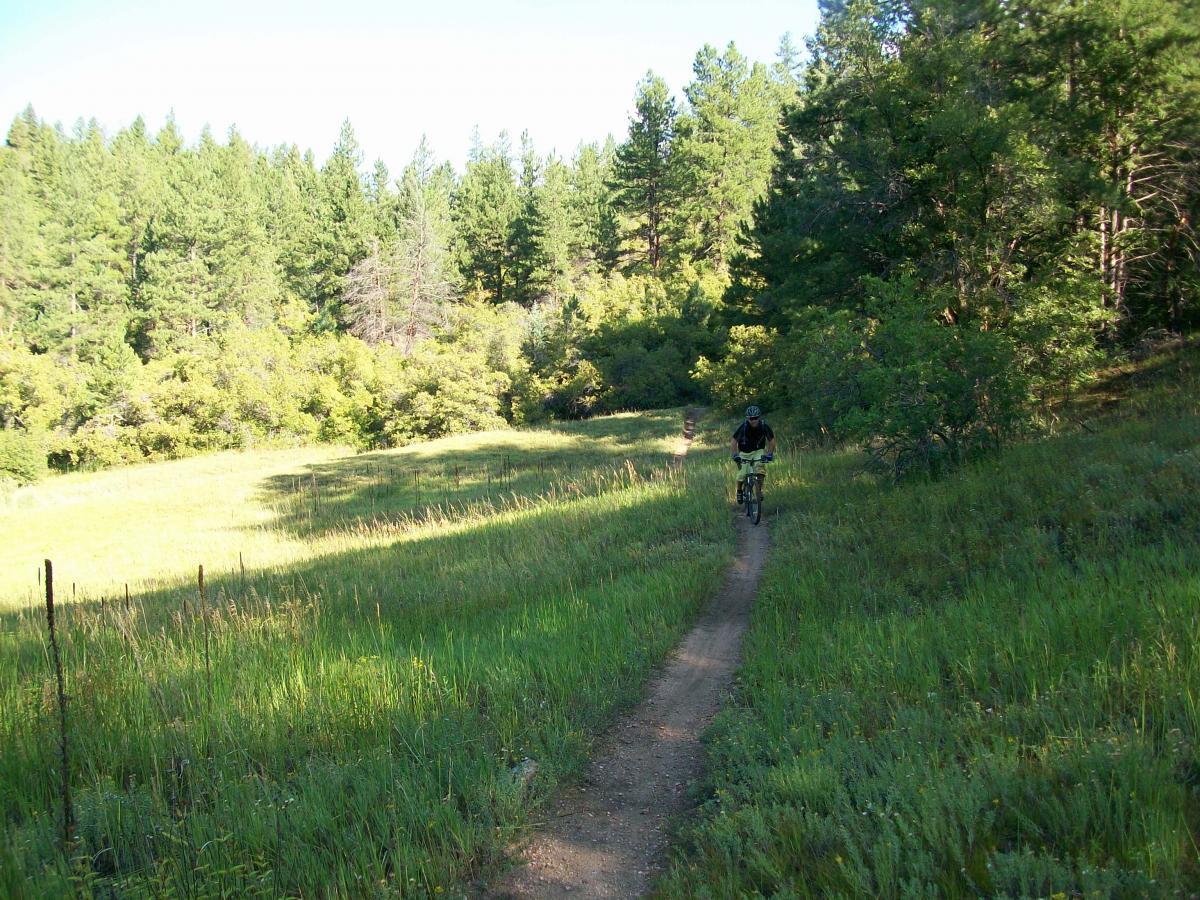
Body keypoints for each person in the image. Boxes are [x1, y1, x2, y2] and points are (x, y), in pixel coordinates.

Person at [730, 405, 776, 503]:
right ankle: (739, 491)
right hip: (744, 452)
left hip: (758, 451)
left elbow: (771, 440)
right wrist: (735, 455)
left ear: (759, 417)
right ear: (748, 418)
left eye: (755, 418)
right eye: (751, 418)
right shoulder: (743, 427)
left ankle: (758, 491)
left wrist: (770, 454)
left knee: (760, 469)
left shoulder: (764, 426)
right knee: (742, 474)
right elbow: (734, 440)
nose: (753, 420)